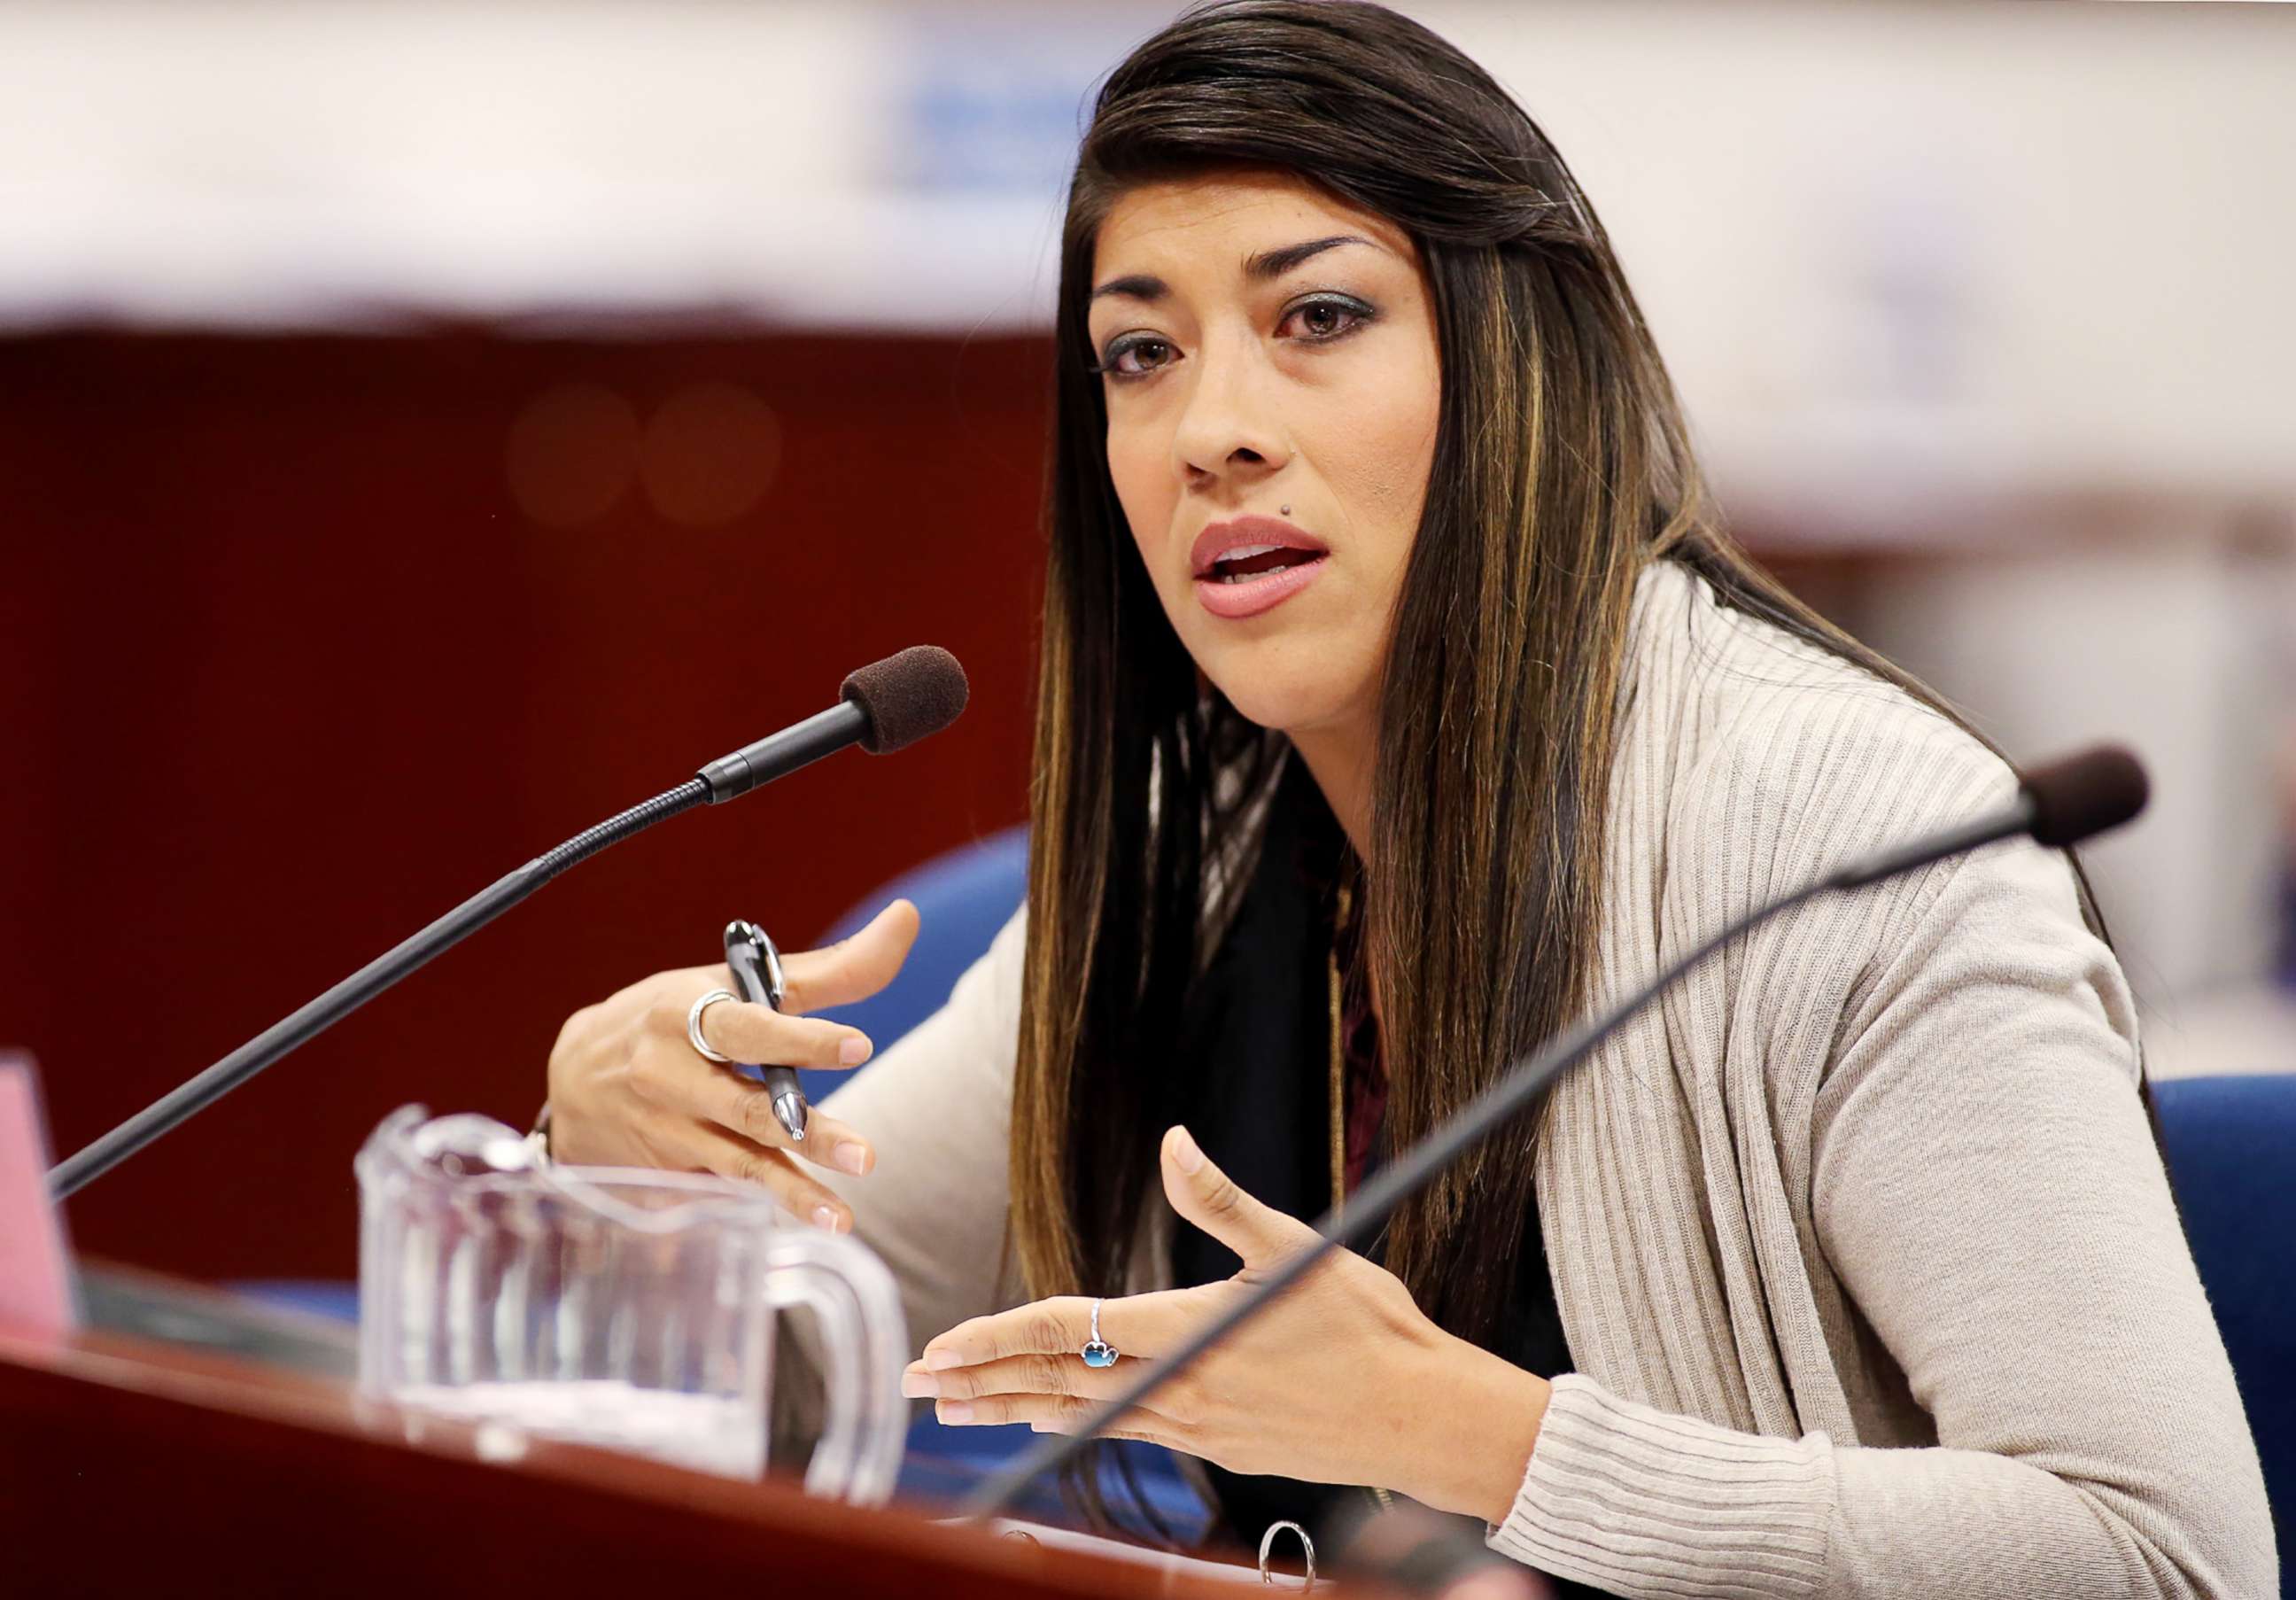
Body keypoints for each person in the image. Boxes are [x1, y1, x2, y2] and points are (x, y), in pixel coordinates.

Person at [539, 4, 2275, 1594]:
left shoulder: (1851, 852)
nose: (1213, 426)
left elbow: (2161, 1556)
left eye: (1318, 317)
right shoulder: (1197, 846)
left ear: (1518, 364)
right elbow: (792, 1358)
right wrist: (625, 1182)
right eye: (1140, 356)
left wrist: (1482, 1444)